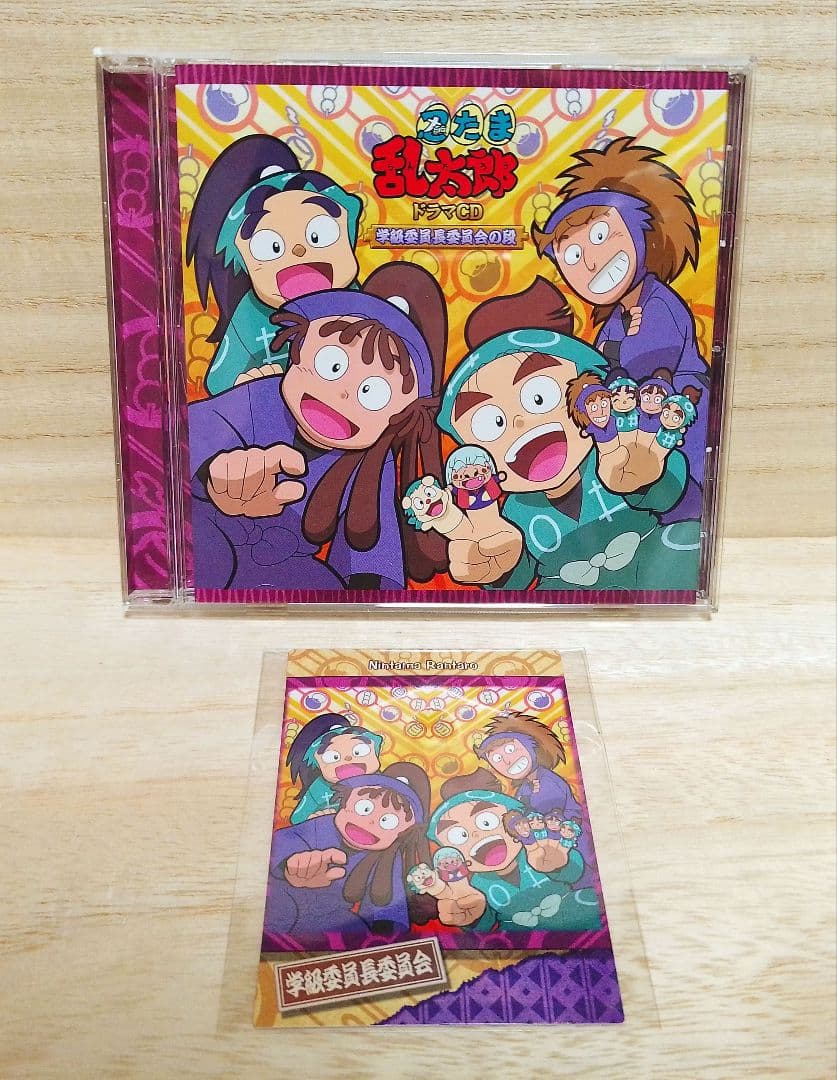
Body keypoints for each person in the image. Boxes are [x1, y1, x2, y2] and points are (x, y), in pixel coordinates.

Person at [188, 265, 448, 591]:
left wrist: (367, 601)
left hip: (285, 564)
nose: (343, 393)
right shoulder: (261, 397)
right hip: (212, 532)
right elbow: (190, 435)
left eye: (372, 393)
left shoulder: (371, 462)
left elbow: (370, 550)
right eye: (332, 364)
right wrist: (214, 475)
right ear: (299, 343)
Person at [435, 278, 701, 592]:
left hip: (655, 579)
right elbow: (519, 578)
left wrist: (649, 477)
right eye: (490, 424)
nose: (520, 423)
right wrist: (496, 568)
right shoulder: (512, 512)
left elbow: (677, 501)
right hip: (564, 607)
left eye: (539, 396)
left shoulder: (616, 454)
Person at [532, 137, 710, 521]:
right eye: (572, 255)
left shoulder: (659, 305)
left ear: (642, 226)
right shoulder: (614, 321)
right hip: (633, 457)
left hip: (680, 440)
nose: (591, 263)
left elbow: (650, 372)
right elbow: (600, 371)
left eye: (599, 236)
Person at [185, 134, 363, 393]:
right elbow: (218, 380)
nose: (300, 251)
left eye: (319, 234)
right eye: (272, 247)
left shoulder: (358, 303)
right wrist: (246, 387)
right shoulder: (251, 316)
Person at [263, 763, 432, 949]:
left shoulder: (388, 860)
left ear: (405, 833)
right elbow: (284, 841)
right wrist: (290, 866)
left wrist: (384, 937)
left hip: (330, 915)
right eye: (364, 808)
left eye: (388, 821)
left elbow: (388, 908)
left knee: (359, 934)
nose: (370, 822)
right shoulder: (321, 826)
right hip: (285, 898)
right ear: (345, 800)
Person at [425, 769, 601, 933]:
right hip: (522, 940)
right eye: (458, 836)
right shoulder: (475, 885)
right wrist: (470, 917)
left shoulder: (539, 850)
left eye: (487, 822)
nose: (476, 835)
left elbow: (575, 874)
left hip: (581, 920)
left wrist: (560, 865)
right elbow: (486, 925)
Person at [285, 713, 383, 824]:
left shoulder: (382, 782)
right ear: (317, 763)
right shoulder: (320, 787)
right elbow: (297, 818)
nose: (348, 758)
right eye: (333, 757)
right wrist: (314, 819)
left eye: (359, 751)